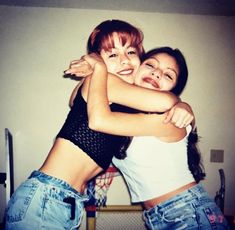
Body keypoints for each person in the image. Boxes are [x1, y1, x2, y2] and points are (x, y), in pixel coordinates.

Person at [4, 20, 193, 230]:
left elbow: (73, 100)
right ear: (98, 59)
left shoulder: (112, 98)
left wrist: (184, 106)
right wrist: (99, 68)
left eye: (131, 52)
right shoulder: (106, 83)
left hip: (60, 199)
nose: (124, 60)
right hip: (49, 196)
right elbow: (166, 101)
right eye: (112, 54)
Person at [78, 47, 230, 229]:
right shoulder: (124, 115)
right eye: (150, 65)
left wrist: (100, 70)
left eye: (168, 75)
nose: (157, 73)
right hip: (158, 216)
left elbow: (98, 120)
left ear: (173, 91)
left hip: (189, 212)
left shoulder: (170, 120)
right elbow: (76, 102)